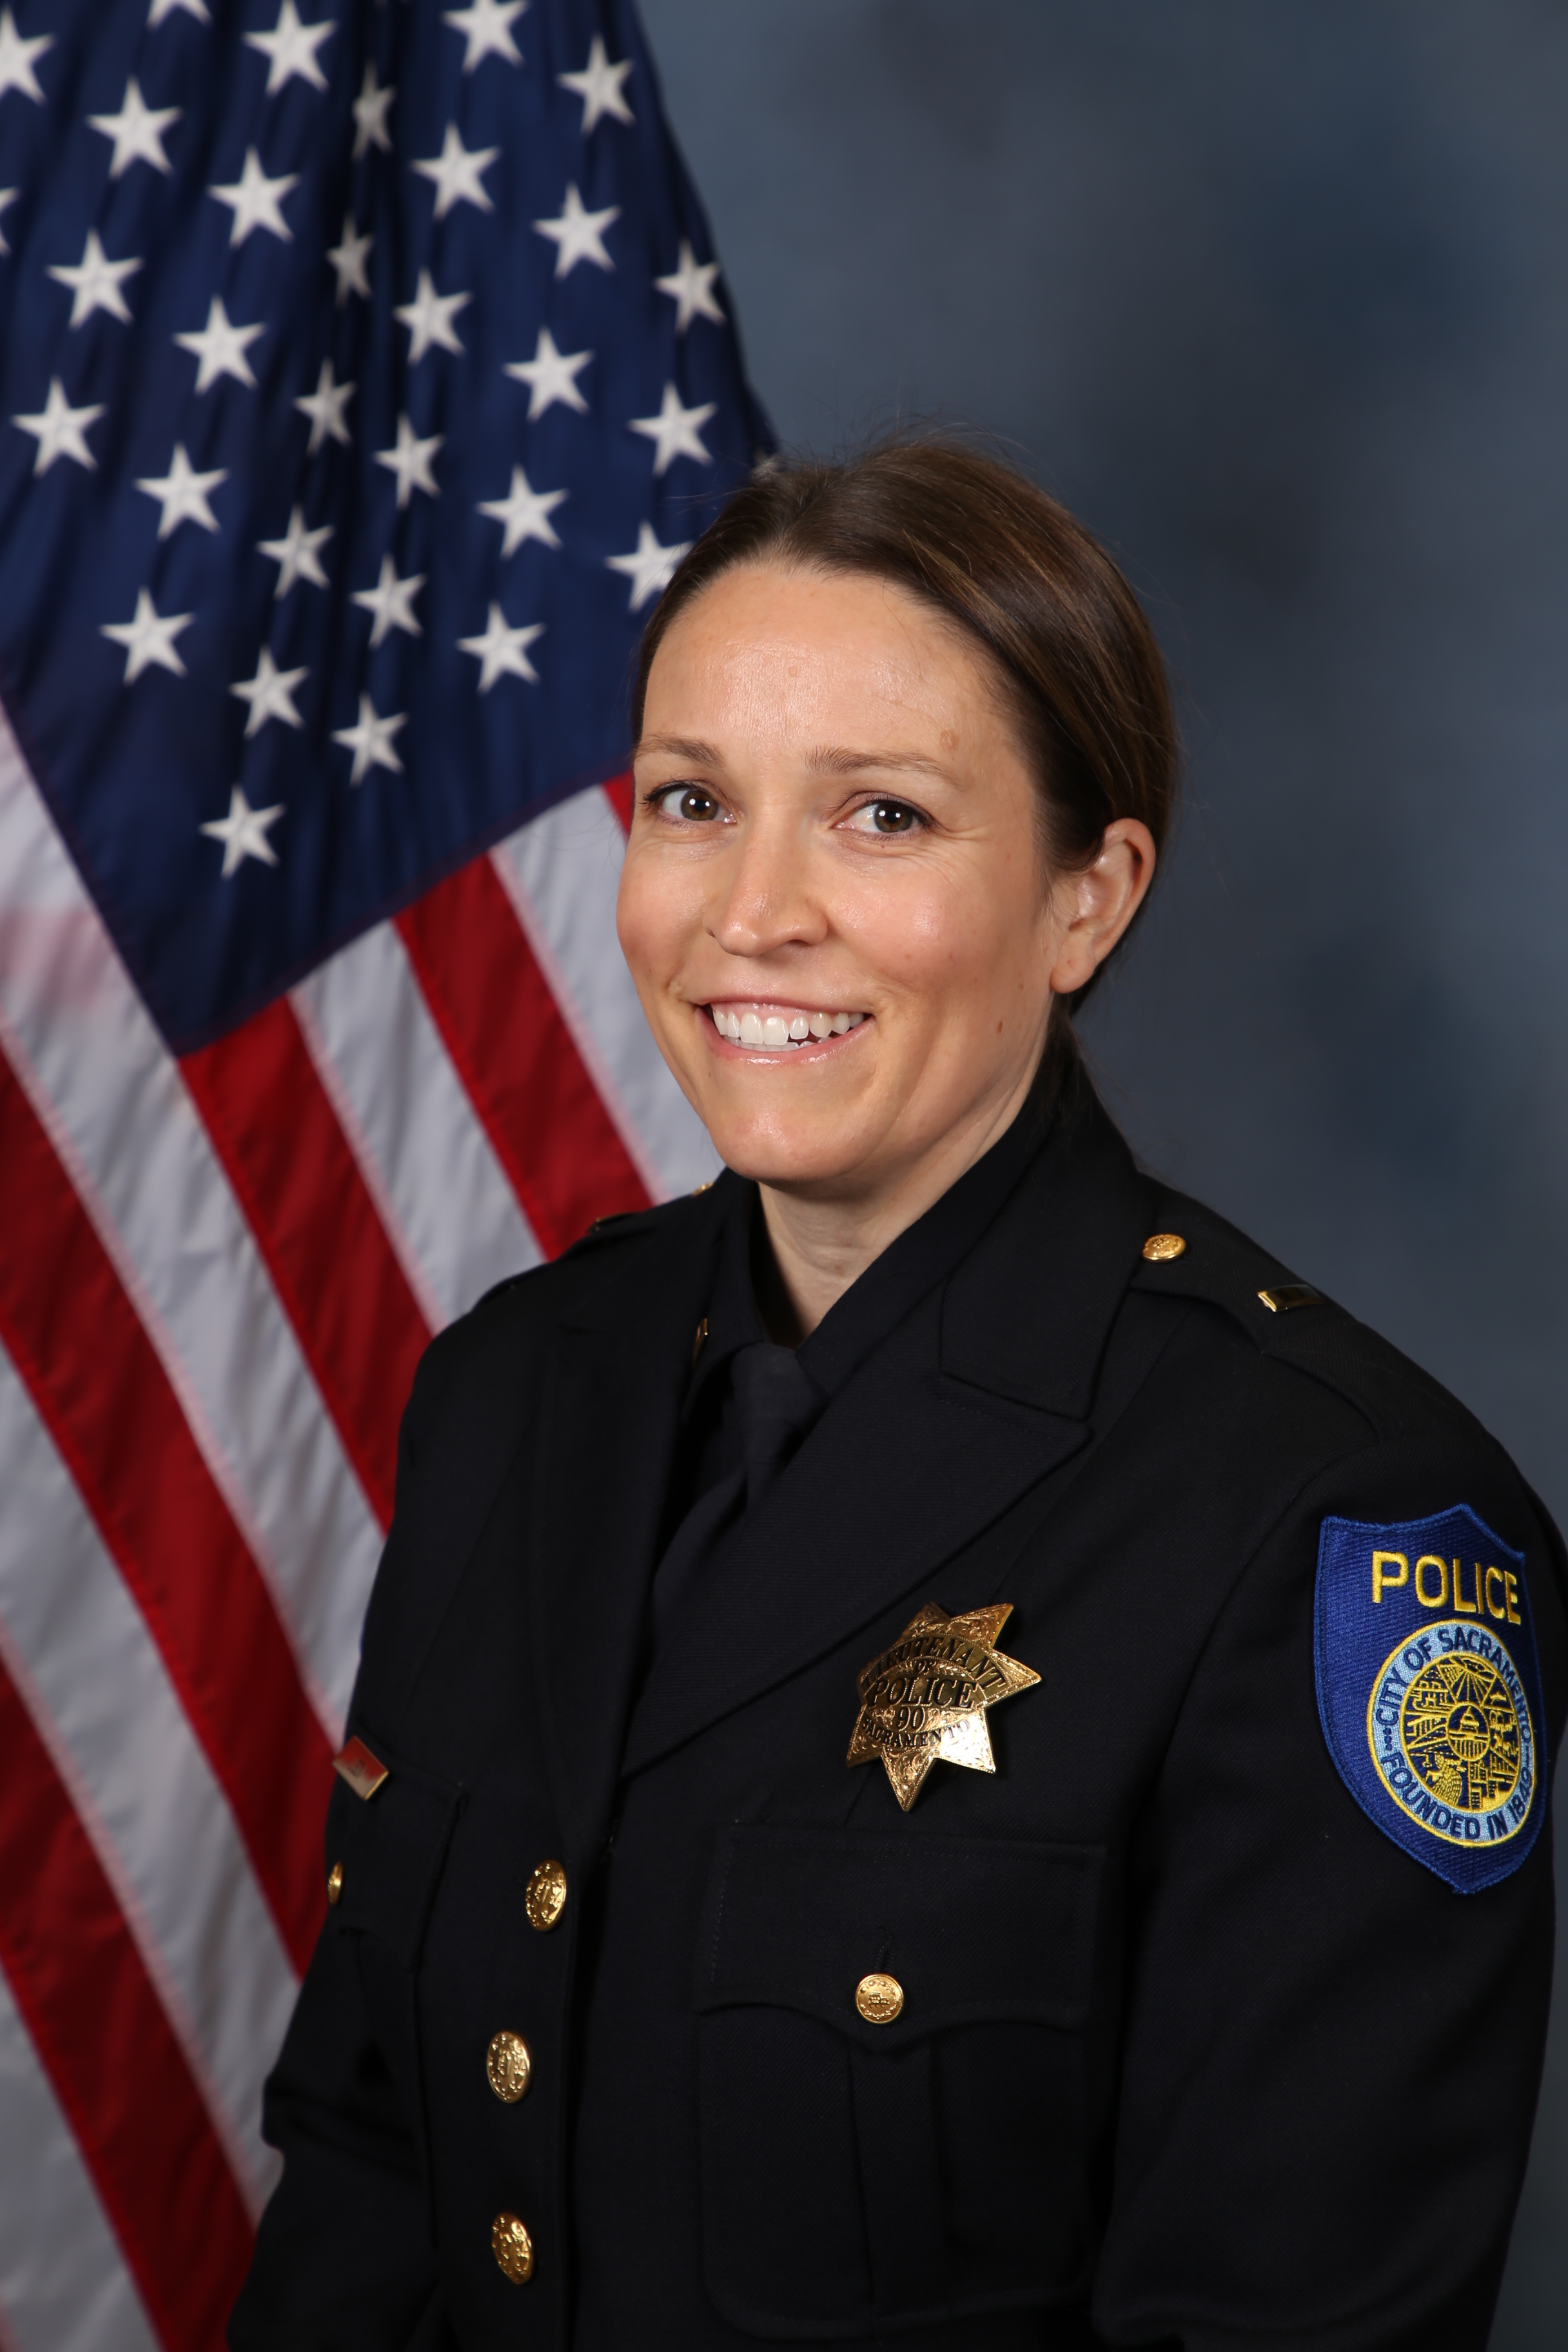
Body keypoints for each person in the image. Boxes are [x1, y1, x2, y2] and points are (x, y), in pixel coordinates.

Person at [230, 439, 1566, 2352]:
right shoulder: (519, 1392)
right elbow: (374, 2172)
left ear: (1088, 898)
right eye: (693, 801)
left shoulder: (1326, 1524)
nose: (755, 912)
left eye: (882, 819)